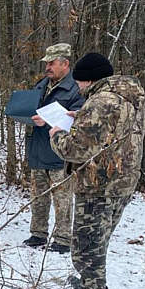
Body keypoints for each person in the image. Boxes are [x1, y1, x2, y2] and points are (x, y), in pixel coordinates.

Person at [49, 52, 145, 289]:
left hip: (99, 183)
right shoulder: (129, 95)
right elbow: (115, 129)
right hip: (123, 180)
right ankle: (90, 284)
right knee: (99, 238)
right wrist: (82, 115)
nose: (78, 88)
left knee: (87, 245)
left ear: (89, 79)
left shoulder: (101, 101)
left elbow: (75, 149)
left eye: (80, 82)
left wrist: (57, 135)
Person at [23, 43, 84, 253]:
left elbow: (79, 118)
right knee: (38, 195)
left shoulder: (76, 88)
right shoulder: (41, 85)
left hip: (61, 152)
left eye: (52, 63)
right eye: (46, 63)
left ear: (65, 64)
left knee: (62, 198)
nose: (47, 67)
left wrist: (48, 122)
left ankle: (63, 238)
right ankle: (38, 233)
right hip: (39, 148)